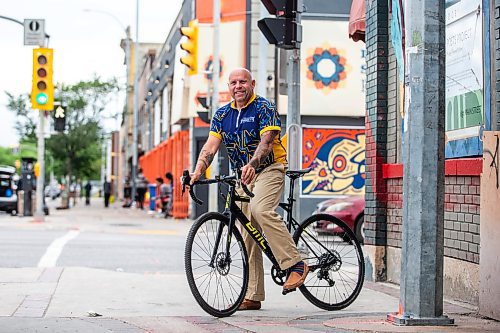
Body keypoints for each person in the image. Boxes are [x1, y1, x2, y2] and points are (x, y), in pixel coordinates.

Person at [189, 68, 308, 311]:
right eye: (233, 83)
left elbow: (266, 142)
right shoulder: (222, 114)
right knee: (248, 234)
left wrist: (252, 164)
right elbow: (210, 148)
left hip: (269, 168)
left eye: (242, 81)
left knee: (260, 210)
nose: (238, 86)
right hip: (242, 176)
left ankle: (295, 264)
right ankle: (253, 295)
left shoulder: (264, 107)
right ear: (229, 87)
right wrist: (197, 171)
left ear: (252, 83)